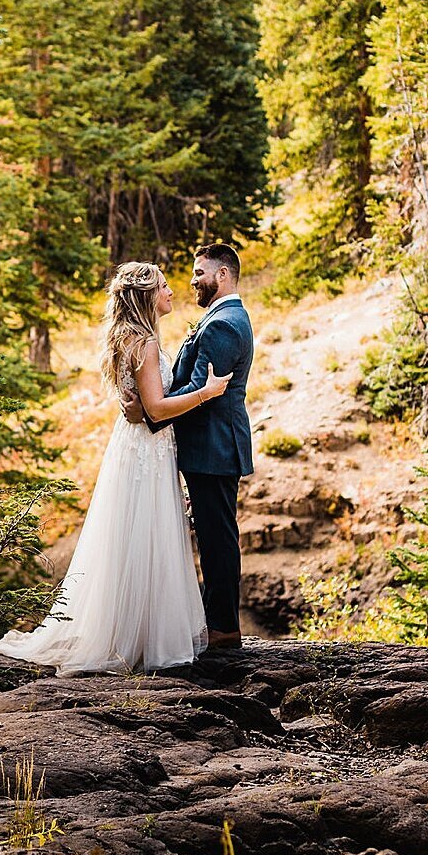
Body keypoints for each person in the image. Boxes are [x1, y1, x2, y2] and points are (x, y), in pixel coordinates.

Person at [0, 262, 230, 674]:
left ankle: (134, 633)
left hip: (139, 447)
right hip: (147, 449)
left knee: (136, 536)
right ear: (147, 296)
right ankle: (142, 640)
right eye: (163, 286)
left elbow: (144, 404)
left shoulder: (130, 338)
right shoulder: (142, 343)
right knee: (147, 536)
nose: (172, 292)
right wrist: (207, 393)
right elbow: (157, 408)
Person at [125, 243, 254, 650]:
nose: (192, 280)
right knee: (214, 535)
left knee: (217, 538)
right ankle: (216, 622)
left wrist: (149, 412)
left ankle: (224, 628)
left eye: (200, 272)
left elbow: (202, 388)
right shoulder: (220, 318)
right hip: (206, 446)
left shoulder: (223, 324)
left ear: (222, 275)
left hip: (214, 448)